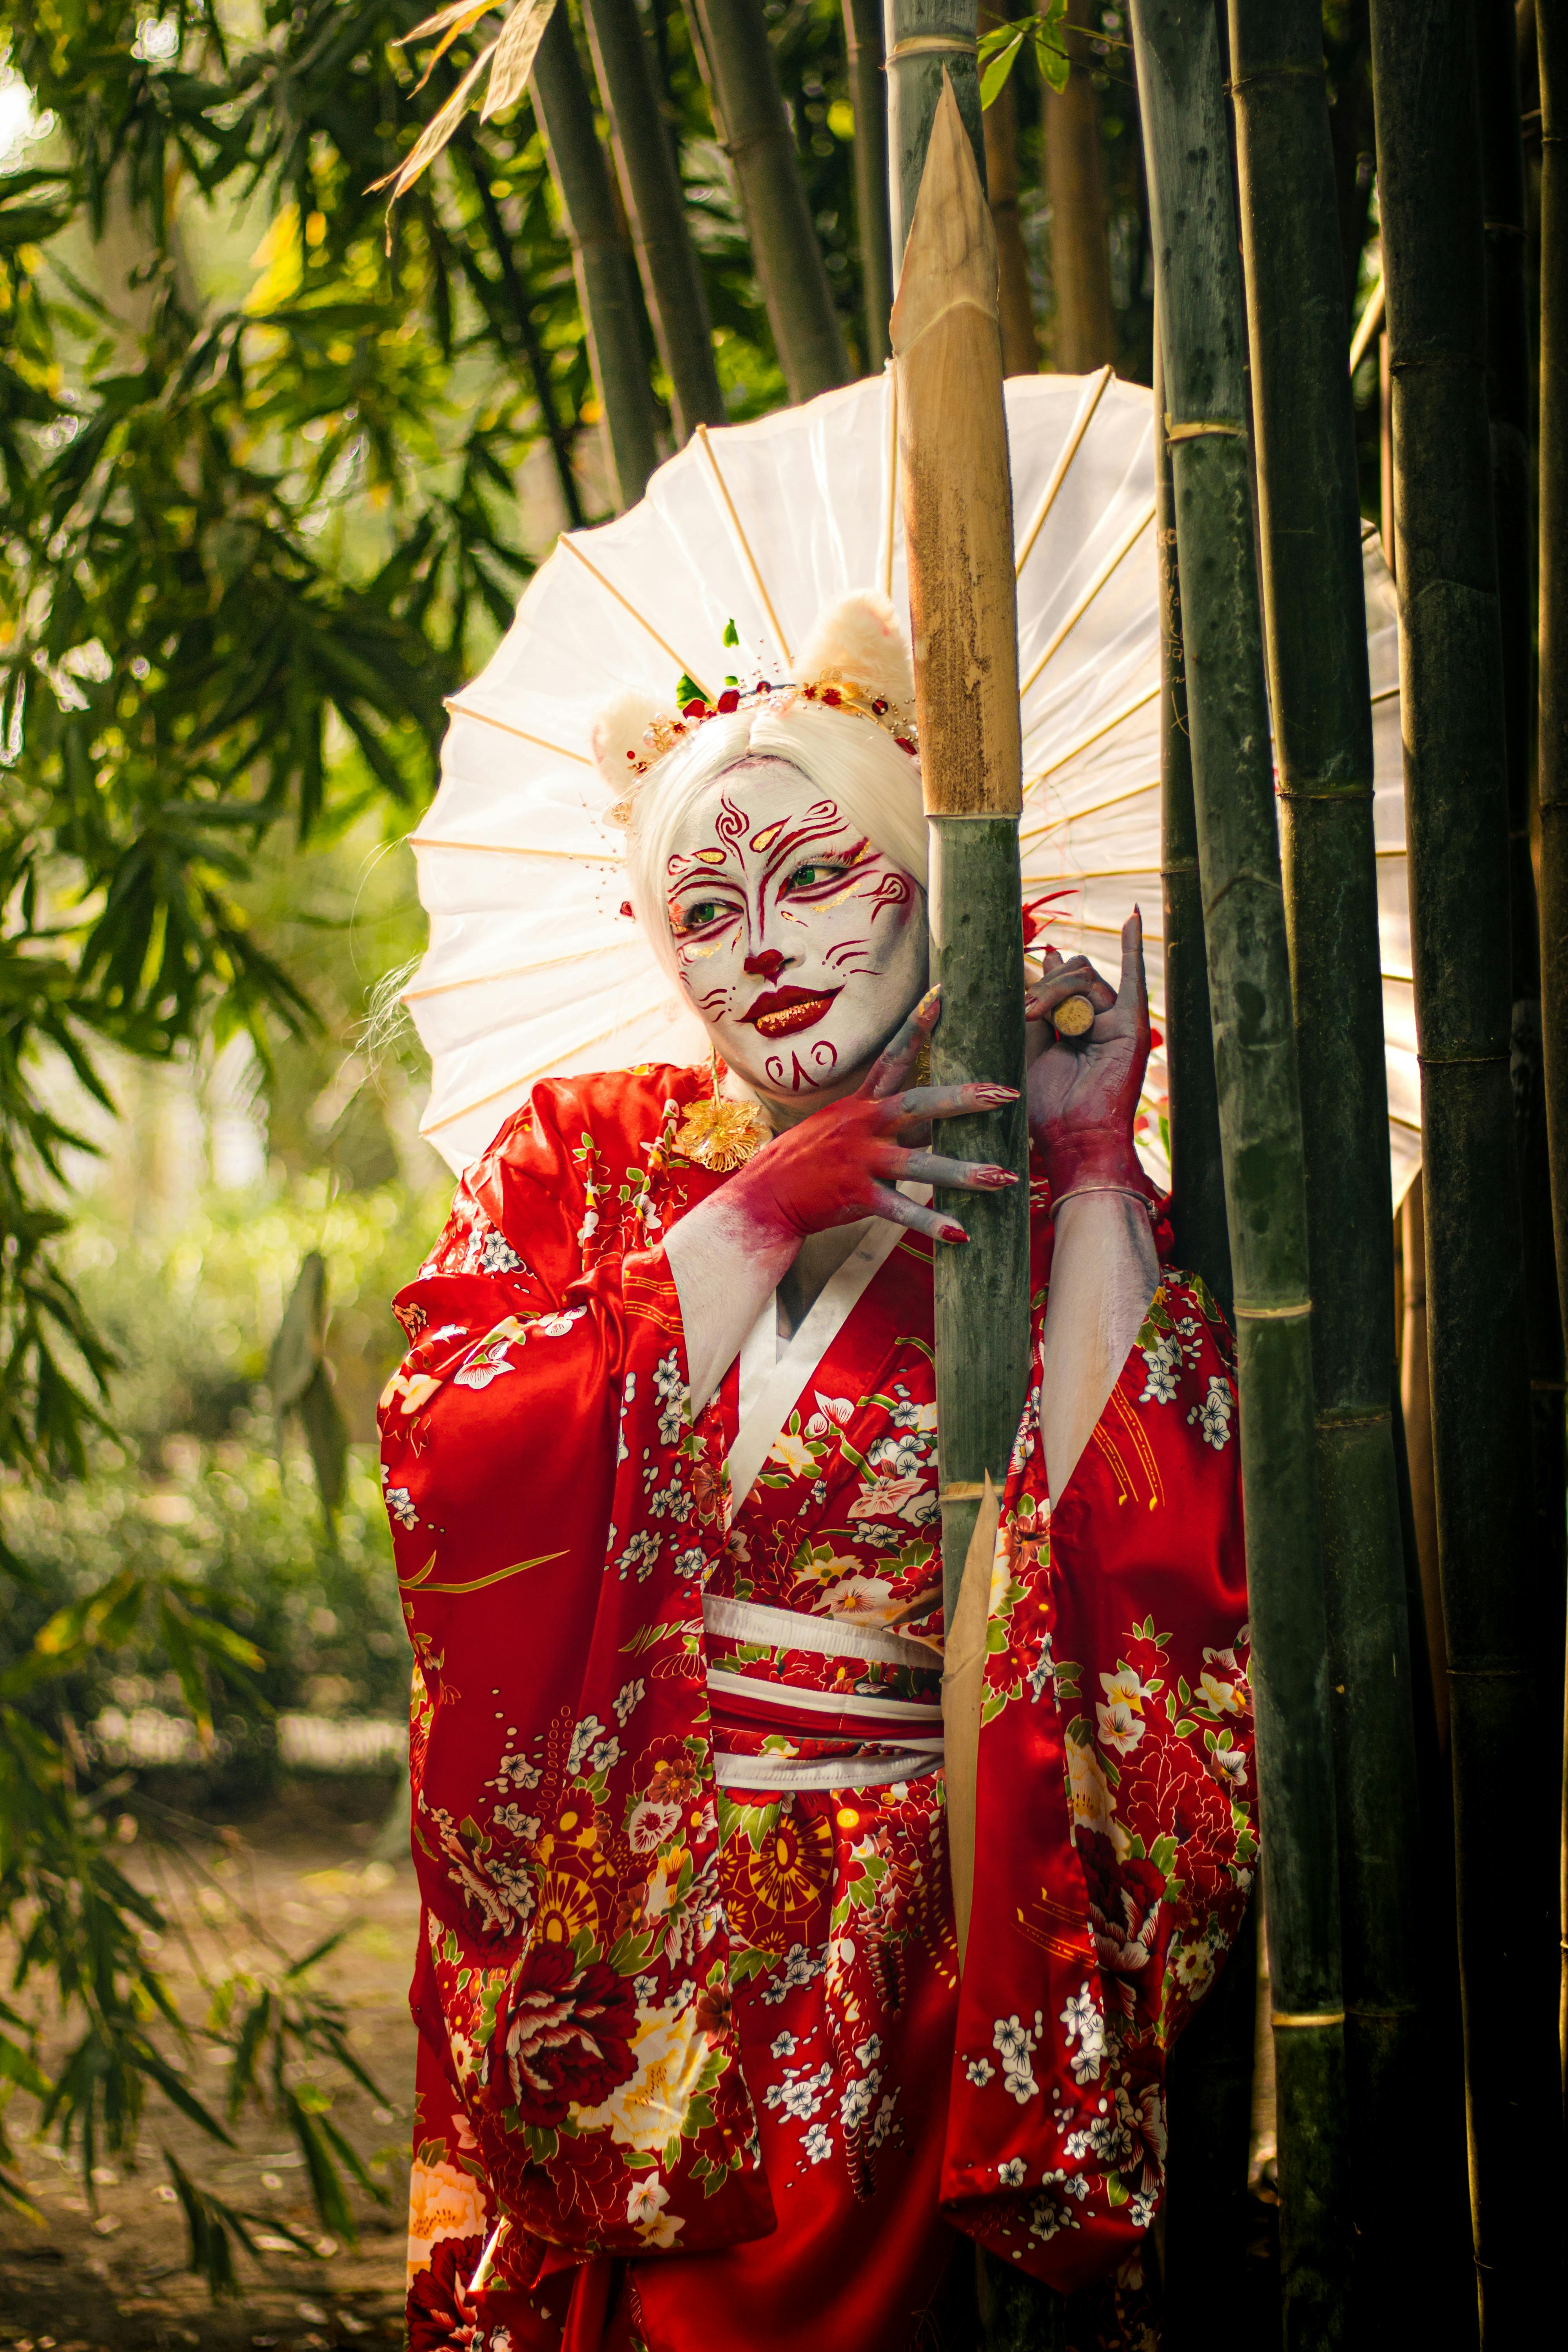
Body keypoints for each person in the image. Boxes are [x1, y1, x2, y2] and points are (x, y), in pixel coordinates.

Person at [379, 593, 1252, 2352]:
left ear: (931, 883)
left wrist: (1091, 1160)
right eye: (705, 909)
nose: (763, 945)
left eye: (816, 877)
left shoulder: (1027, 1200)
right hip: (628, 1914)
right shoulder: (580, 1160)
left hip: (907, 1930)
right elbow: (450, 1459)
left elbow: (1139, 1548)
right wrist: (756, 1214)